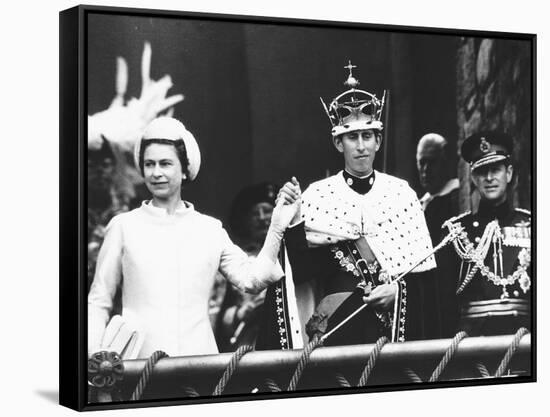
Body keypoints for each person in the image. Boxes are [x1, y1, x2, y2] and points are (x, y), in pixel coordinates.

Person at [262, 62, 438, 348]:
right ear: (338, 144)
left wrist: (398, 292)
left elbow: (428, 280)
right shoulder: (318, 195)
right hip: (340, 323)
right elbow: (303, 272)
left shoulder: (401, 194)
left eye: (367, 136)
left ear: (378, 141)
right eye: (352, 137)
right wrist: (293, 218)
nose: (361, 146)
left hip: (393, 327)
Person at [87, 117, 295, 358]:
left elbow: (252, 280)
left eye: (165, 164)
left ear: (184, 169)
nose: (156, 173)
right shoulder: (123, 226)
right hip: (137, 364)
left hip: (199, 362)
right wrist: (95, 355)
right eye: (149, 164)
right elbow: (99, 300)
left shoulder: (209, 229)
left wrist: (277, 226)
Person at [439, 131, 531, 337]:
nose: (489, 178)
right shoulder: (456, 232)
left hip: (524, 340)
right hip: (472, 342)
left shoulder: (532, 225)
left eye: (495, 170)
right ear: (473, 178)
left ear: (508, 173)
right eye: (482, 172)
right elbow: (444, 301)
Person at [215, 183, 278, 351]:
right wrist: (243, 312)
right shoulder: (235, 262)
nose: (262, 218)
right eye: (254, 214)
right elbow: (219, 317)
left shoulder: (290, 257)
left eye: (267, 211)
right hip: (247, 344)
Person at [416, 133, 460, 241]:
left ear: (445, 162)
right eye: (422, 162)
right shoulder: (420, 203)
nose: (426, 169)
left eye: (432, 162)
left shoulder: (456, 198)